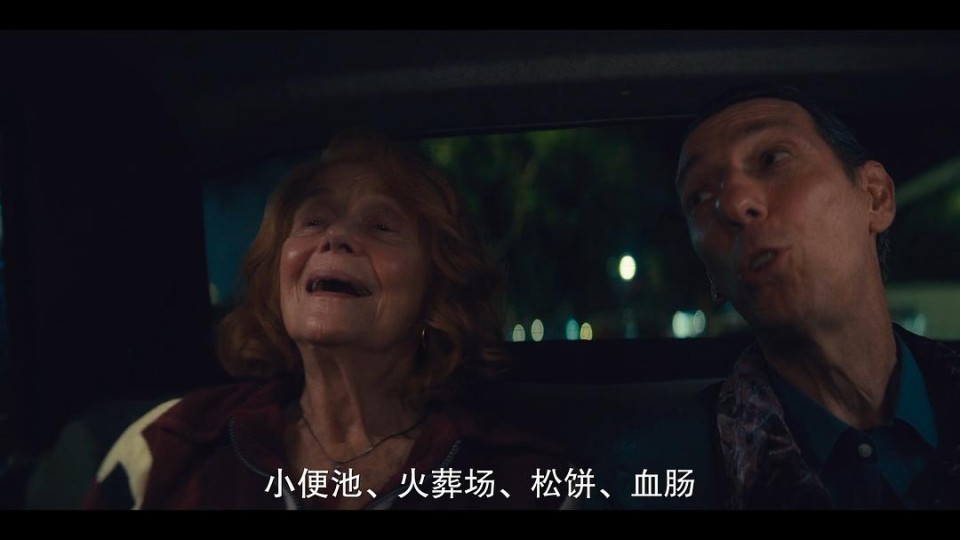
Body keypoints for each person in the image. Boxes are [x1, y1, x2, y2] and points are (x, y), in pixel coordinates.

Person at [83, 129, 571, 510]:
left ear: (438, 291)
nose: (335, 238)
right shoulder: (170, 446)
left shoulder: (525, 481)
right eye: (313, 221)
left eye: (380, 226)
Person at [596, 84, 960, 509]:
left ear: (875, 196)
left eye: (771, 159)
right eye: (700, 196)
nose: (733, 204)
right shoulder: (646, 480)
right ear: (711, 273)